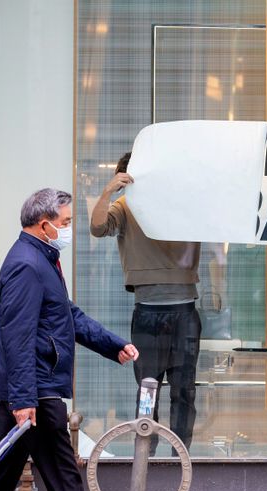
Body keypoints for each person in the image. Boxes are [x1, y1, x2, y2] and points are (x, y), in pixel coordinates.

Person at [0, 188, 139, 491]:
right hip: (36, 395)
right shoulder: (27, 265)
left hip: (31, 393)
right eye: (66, 222)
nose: (70, 229)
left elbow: (67, 316)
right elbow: (18, 336)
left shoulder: (41, 260)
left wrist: (113, 346)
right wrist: (24, 399)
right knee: (65, 481)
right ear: (45, 225)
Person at [90, 153, 202, 453]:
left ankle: (181, 454)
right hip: (149, 311)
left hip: (184, 307)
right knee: (147, 390)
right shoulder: (126, 206)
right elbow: (98, 227)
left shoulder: (183, 204)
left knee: (184, 390)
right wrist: (108, 191)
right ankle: (146, 452)